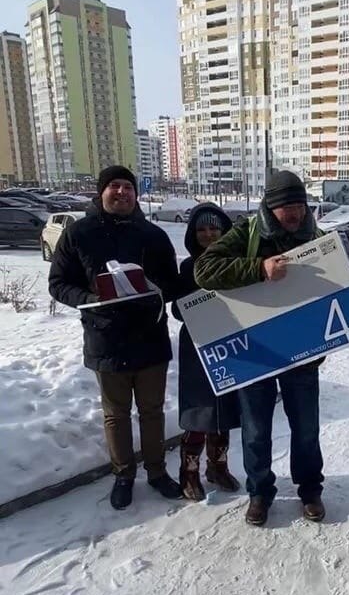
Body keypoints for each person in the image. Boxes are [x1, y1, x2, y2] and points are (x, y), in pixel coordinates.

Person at [194, 170, 324, 527]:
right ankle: (259, 493)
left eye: (300, 205)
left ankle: (310, 489)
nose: (295, 214)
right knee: (256, 430)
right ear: (270, 206)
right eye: (287, 208)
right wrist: (258, 268)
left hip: (302, 352)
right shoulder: (247, 232)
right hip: (256, 348)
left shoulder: (317, 235)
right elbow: (204, 271)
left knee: (307, 427)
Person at [48, 165, 182, 510]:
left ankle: (156, 472)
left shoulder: (153, 235)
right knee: (116, 414)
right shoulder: (79, 234)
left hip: (149, 335)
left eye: (127, 187)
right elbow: (59, 283)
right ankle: (124, 475)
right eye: (114, 186)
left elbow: (172, 282)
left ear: (136, 195)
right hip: (105, 338)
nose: (121, 192)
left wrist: (156, 290)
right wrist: (92, 299)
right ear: (101, 192)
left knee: (152, 410)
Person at [172, 204, 241, 500]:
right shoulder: (188, 267)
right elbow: (176, 308)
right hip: (198, 344)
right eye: (201, 229)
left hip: (230, 341)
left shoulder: (236, 262)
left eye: (214, 228)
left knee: (224, 406)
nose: (208, 234)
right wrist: (198, 305)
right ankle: (188, 472)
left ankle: (218, 467)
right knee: (200, 409)